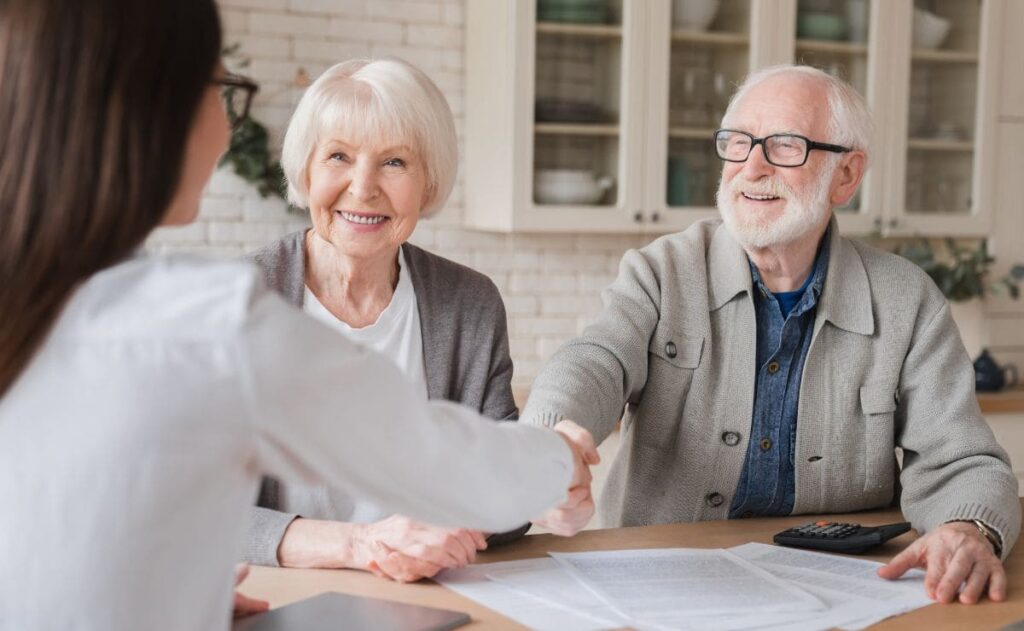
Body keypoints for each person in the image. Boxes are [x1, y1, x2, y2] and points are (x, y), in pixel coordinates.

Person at [0, 1, 597, 629]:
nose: (227, 128)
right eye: (221, 90)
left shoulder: (48, 301)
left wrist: (164, 591)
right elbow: (422, 454)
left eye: (394, 161)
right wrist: (557, 461)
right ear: (153, 113)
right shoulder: (209, 323)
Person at [521, 65, 1020, 606]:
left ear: (846, 176)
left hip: (845, 593)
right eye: (737, 144)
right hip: (664, 585)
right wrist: (547, 440)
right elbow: (595, 359)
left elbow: (963, 461)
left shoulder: (908, 299)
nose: (751, 168)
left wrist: (970, 528)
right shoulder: (662, 271)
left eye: (784, 145)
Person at [243, 59, 577, 582]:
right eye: (338, 156)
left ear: (428, 182)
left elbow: (500, 499)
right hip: (277, 593)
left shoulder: (469, 303)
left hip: (431, 594)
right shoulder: (239, 303)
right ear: (306, 170)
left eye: (395, 162)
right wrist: (364, 545)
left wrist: (539, 484)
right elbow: (191, 510)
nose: (363, 187)